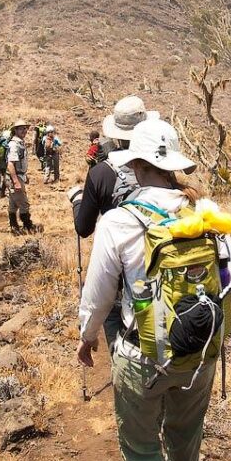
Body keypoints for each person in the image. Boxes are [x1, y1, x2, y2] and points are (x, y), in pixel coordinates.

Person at [77, 118, 231, 461]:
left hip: (143, 354)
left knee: (140, 448)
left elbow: (97, 296)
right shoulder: (205, 215)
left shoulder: (119, 221)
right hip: (200, 353)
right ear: (171, 164)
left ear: (135, 165)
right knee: (185, 429)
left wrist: (87, 338)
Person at [67, 96, 162, 348]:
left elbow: (83, 228)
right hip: (161, 265)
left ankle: (121, 367)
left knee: (119, 330)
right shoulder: (162, 168)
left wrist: (78, 200)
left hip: (120, 274)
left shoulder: (100, 173)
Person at [7, 119, 39, 234]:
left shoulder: (20, 143)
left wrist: (24, 175)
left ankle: (13, 226)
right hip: (15, 177)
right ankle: (28, 226)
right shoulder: (14, 145)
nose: (24, 130)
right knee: (23, 203)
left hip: (18, 176)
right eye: (21, 128)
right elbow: (10, 164)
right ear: (15, 130)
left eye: (25, 128)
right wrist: (16, 181)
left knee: (13, 203)